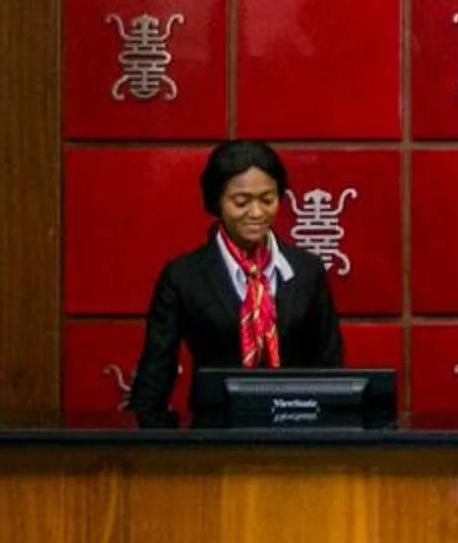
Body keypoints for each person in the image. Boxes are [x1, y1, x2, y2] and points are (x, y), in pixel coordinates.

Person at [125, 139, 345, 428]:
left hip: (297, 431)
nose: (256, 213)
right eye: (241, 202)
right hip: (214, 434)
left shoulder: (307, 271)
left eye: (267, 199)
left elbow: (331, 368)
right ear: (217, 201)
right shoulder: (183, 276)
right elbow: (156, 374)